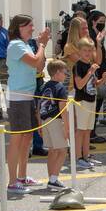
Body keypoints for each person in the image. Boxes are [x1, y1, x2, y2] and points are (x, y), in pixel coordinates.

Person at [5, 14, 51, 193]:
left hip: (28, 96)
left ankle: (22, 177)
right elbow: (34, 62)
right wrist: (42, 44)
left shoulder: (25, 45)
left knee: (27, 138)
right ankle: (12, 181)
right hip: (18, 98)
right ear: (20, 27)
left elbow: (39, 67)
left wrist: (41, 46)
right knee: (17, 139)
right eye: (29, 25)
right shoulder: (15, 44)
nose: (33, 28)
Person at [71, 39, 106, 170]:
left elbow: (94, 84)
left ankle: (86, 156)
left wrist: (103, 79)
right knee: (80, 130)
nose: (87, 53)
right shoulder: (78, 65)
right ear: (79, 51)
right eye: (84, 50)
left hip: (92, 99)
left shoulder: (91, 64)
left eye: (90, 50)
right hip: (82, 101)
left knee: (88, 130)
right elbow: (79, 85)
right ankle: (77, 157)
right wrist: (90, 72)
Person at [38, 59, 72, 190]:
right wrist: (67, 128)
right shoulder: (60, 88)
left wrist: (40, 124)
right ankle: (53, 179)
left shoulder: (44, 86)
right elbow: (63, 109)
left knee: (52, 150)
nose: (66, 75)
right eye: (64, 72)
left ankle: (51, 177)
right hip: (56, 120)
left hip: (45, 120)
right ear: (57, 72)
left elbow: (38, 106)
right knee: (63, 150)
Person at [86, 10, 106, 145]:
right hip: (92, 76)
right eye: (100, 22)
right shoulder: (90, 37)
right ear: (93, 21)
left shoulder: (98, 35)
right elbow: (95, 59)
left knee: (96, 105)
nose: (103, 25)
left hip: (100, 74)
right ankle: (90, 134)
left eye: (104, 22)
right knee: (91, 108)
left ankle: (92, 132)